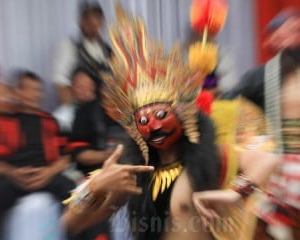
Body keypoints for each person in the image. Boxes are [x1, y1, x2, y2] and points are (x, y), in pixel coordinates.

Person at [61, 6, 279, 240]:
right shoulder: (132, 176)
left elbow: (269, 161)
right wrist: (94, 188)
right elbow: (68, 226)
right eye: (144, 120)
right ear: (134, 127)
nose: (154, 126)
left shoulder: (208, 158)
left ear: (184, 113)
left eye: (162, 115)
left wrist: (236, 194)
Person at [222, 8, 300, 240]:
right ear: (272, 41)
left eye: (299, 31)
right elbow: (225, 103)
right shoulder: (259, 77)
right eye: (284, 33)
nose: (293, 37)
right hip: (273, 168)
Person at [0, 71, 75, 236]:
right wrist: (12, 173)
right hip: (14, 177)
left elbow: (66, 157)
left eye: (38, 90)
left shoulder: (50, 121)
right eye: (28, 89)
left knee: (76, 194)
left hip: (47, 175)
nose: (34, 94)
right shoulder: (2, 121)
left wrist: (49, 172)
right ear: (16, 92)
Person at [52, 1, 112, 104]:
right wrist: (73, 111)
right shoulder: (69, 47)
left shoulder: (108, 50)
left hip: (105, 109)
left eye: (97, 22)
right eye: (89, 23)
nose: (93, 27)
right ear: (80, 22)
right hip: (82, 109)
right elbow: (61, 84)